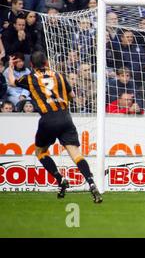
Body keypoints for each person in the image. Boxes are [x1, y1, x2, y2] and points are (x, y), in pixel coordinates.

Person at [6, 52, 102, 203]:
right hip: (65, 117)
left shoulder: (30, 78)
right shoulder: (60, 76)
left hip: (48, 119)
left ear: (31, 65)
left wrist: (11, 67)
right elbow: (72, 95)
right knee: (75, 154)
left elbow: (11, 82)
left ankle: (60, 178)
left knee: (40, 151)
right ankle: (91, 182)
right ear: (46, 62)